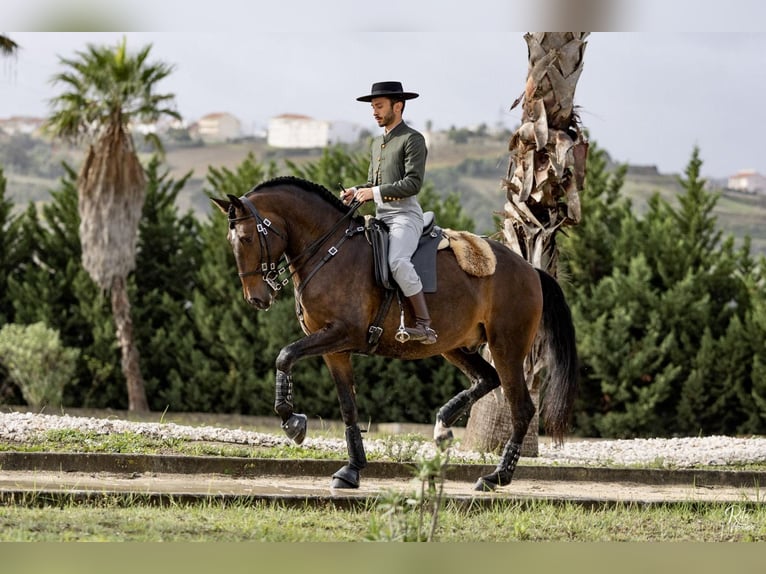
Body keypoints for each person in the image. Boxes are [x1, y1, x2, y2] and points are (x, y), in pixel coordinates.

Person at [341, 81, 437, 345]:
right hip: (380, 217)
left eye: (379, 106)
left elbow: (413, 184)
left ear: (398, 105)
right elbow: (373, 183)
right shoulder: (376, 143)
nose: (374, 112)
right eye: (373, 107)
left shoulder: (413, 139)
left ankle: (425, 325)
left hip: (405, 216)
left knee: (397, 262)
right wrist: (356, 190)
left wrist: (374, 194)